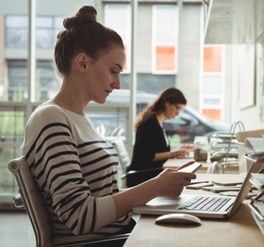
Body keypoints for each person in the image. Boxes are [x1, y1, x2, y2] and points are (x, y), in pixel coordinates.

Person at [20, 5, 196, 246]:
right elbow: (80, 216)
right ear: (82, 63)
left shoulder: (77, 118)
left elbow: (105, 199)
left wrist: (160, 187)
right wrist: (155, 187)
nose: (118, 84)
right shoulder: (51, 119)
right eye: (114, 71)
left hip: (120, 236)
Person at [127, 87, 192, 187]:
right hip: (143, 177)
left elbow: (158, 150)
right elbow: (145, 156)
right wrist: (172, 154)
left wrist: (177, 152)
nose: (178, 113)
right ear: (167, 103)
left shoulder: (159, 123)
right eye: (177, 108)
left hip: (153, 175)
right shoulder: (149, 123)